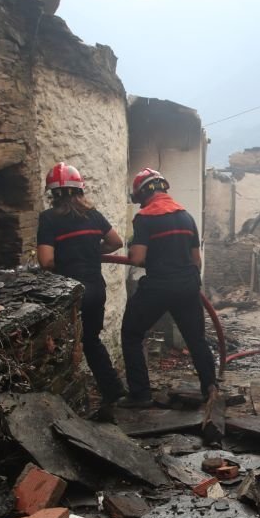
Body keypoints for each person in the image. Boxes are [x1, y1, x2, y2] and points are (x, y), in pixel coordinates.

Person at [118, 167, 216, 408]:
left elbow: (138, 258)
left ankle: (140, 395)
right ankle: (211, 388)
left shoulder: (145, 218)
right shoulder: (186, 216)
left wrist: (133, 248)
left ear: (142, 194)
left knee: (131, 333)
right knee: (196, 340)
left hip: (159, 286)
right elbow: (197, 260)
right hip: (188, 285)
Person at [36, 162, 126, 416]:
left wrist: (68, 258)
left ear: (53, 193)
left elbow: (46, 261)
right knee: (91, 340)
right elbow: (116, 242)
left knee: (62, 345)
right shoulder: (94, 215)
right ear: (80, 190)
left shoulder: (49, 219)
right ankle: (112, 389)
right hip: (97, 289)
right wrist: (90, 252)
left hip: (71, 293)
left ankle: (65, 402)